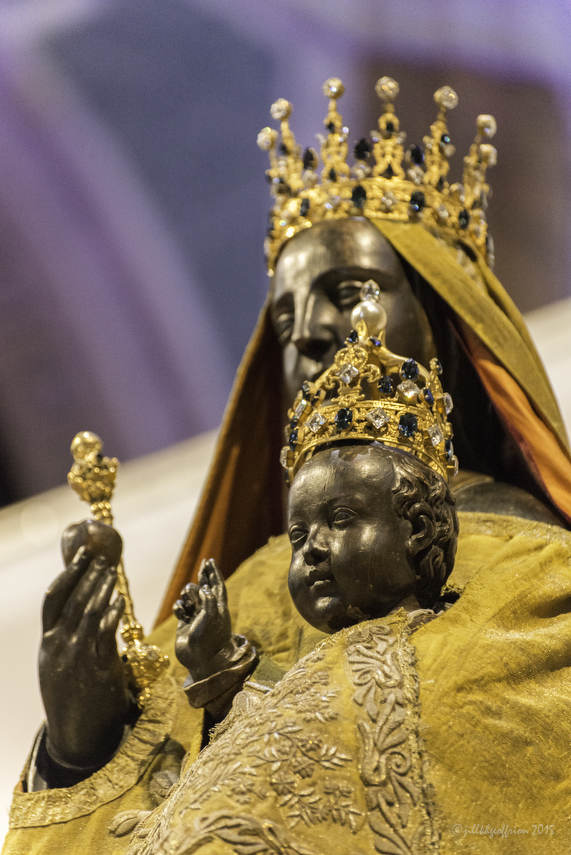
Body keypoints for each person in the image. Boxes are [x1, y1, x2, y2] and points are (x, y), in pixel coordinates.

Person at [4, 76, 570, 853]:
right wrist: (76, 747)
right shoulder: (238, 589)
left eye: (348, 292)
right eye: (283, 316)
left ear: (445, 322)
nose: (304, 332)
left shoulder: (542, 574)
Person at [126, 312, 569, 854]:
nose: (310, 546)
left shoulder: (465, 655)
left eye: (339, 520)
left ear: (421, 528)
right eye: (296, 533)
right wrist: (218, 665)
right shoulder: (306, 663)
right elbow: (286, 723)